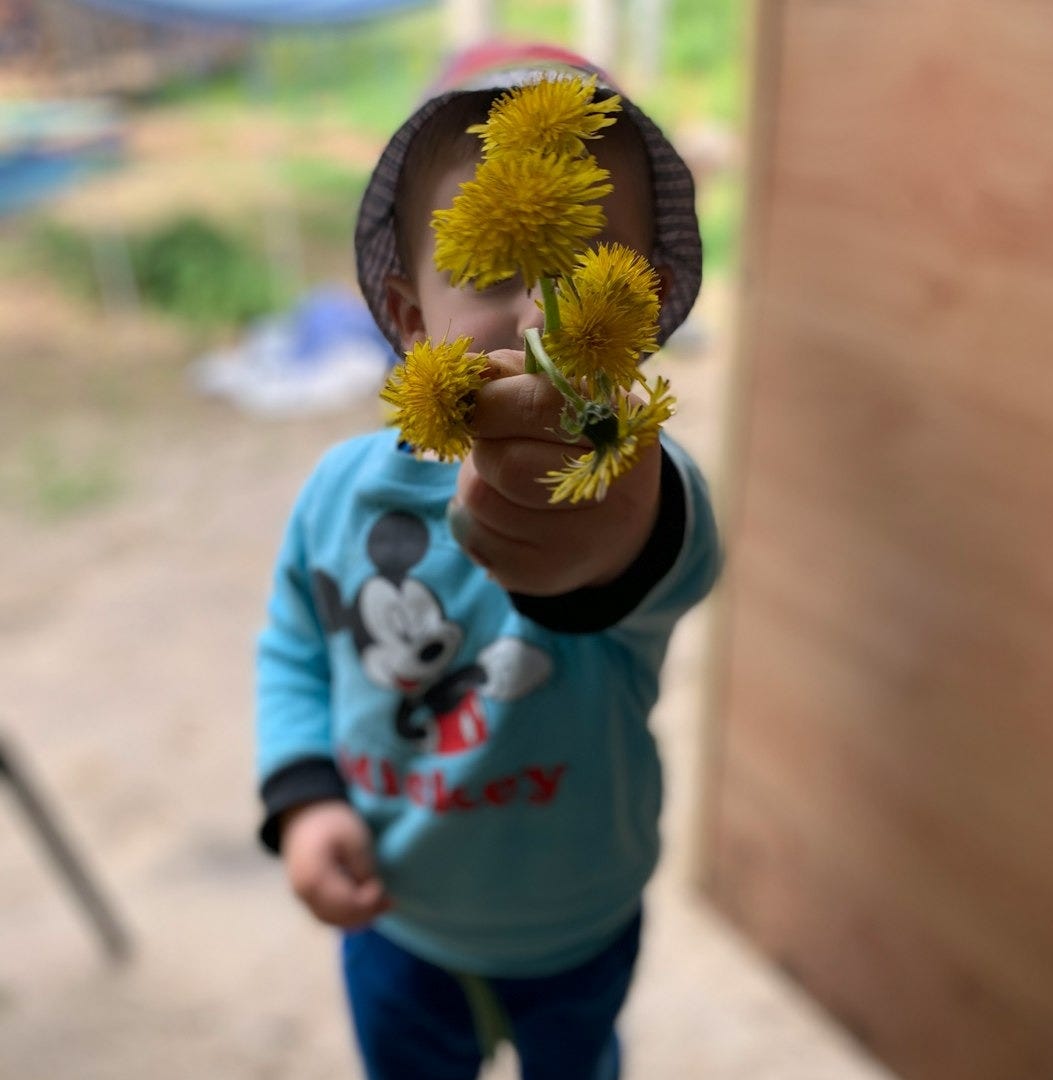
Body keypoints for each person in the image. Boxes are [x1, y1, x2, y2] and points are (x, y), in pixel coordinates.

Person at [255, 39, 721, 1080]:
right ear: (412, 317)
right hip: (397, 916)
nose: (538, 316)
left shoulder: (635, 473)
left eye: (586, 269)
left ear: (645, 306)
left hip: (582, 922)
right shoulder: (338, 493)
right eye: (491, 269)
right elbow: (294, 642)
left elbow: (658, 554)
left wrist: (611, 526)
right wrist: (303, 794)